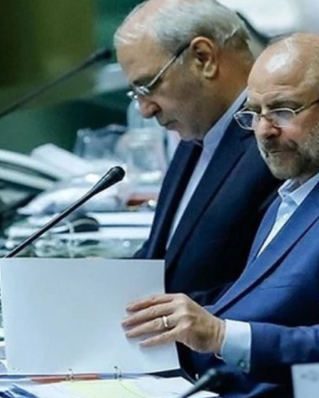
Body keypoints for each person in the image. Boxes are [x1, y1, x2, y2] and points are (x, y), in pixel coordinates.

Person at [122, 32, 319, 398]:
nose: (264, 131)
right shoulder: (302, 183)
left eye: (283, 110)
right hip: (217, 391)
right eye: (255, 113)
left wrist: (218, 334)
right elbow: (262, 301)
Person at [114, 0, 279, 305]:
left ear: (203, 58)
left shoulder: (274, 145)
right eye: (136, 93)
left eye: (148, 86)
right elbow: (161, 256)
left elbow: (266, 291)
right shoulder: (198, 130)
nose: (145, 110)